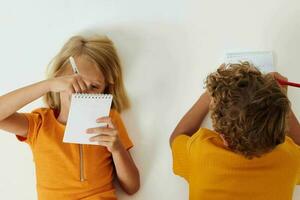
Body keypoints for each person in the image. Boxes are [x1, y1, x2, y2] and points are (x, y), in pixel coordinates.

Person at [0, 35, 140, 199]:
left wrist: (117, 149)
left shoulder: (108, 121)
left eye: (94, 86)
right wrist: (48, 84)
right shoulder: (39, 123)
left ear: (105, 89)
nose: (83, 92)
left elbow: (132, 187)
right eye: (75, 82)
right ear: (59, 77)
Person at [170, 62, 300, 200]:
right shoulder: (288, 158)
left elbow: (176, 138)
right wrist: (282, 101)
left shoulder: (201, 153)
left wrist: (207, 96)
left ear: (224, 137)